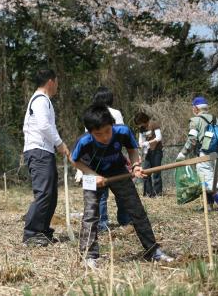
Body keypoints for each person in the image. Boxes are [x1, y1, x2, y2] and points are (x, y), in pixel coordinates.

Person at [71, 104, 174, 268]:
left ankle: (153, 251)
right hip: (91, 172)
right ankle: (89, 256)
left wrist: (135, 166)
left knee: (136, 209)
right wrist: (92, 175)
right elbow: (74, 160)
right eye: (98, 134)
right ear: (90, 132)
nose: (104, 137)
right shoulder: (83, 141)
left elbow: (132, 149)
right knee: (91, 213)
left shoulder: (123, 131)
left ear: (112, 125)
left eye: (107, 131)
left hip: (118, 170)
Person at [22, 69, 70, 247]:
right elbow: (43, 125)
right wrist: (59, 143)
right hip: (39, 151)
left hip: (43, 151)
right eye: (57, 82)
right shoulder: (41, 100)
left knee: (50, 194)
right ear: (51, 81)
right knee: (44, 193)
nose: (57, 85)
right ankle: (32, 233)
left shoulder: (42, 100)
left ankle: (43, 231)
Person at [75, 87, 131, 231]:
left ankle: (101, 222)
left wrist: (82, 171)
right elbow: (120, 136)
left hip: (93, 160)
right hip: (113, 159)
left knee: (99, 194)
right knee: (122, 192)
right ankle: (125, 220)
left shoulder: (91, 115)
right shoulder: (116, 113)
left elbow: (85, 141)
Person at [177, 96, 218, 212]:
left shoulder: (195, 121)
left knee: (209, 181)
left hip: (204, 155)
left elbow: (192, 140)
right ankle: (208, 206)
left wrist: (182, 153)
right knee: (206, 179)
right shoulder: (216, 119)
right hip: (216, 154)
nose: (192, 109)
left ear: (196, 108)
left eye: (192, 107)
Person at [134, 112, 164, 197]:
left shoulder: (154, 124)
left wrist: (149, 142)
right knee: (145, 172)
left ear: (143, 120)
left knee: (156, 172)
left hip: (157, 151)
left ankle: (158, 193)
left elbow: (159, 137)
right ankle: (148, 193)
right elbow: (141, 140)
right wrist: (141, 144)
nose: (139, 126)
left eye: (140, 123)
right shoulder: (142, 129)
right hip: (147, 152)